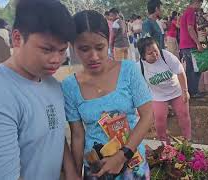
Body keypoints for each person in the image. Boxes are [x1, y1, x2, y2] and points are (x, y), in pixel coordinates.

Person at [0, 1, 80, 179]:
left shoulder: (53, 85)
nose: (57, 59)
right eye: (47, 49)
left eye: (62, 50)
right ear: (17, 38)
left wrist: (72, 172)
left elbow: (54, 132)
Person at [61, 10, 154, 179]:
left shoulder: (128, 70)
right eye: (84, 49)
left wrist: (121, 156)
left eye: (100, 47)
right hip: (97, 170)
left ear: (108, 40)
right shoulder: (69, 86)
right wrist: (75, 172)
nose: (94, 56)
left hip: (133, 165)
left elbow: (147, 115)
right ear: (72, 46)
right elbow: (77, 135)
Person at [137, 37, 191, 143]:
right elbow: (137, 86)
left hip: (176, 91)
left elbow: (180, 72)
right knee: (160, 120)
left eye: (156, 51)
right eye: (150, 53)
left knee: (183, 115)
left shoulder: (166, 56)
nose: (155, 55)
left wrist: (185, 91)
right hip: (158, 96)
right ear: (143, 55)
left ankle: (188, 140)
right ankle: (164, 143)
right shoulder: (139, 67)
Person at [180, 0, 204, 98]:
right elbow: (190, 28)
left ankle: (189, 91)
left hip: (184, 45)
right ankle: (194, 91)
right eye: (200, 3)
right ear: (196, 2)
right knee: (197, 68)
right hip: (190, 45)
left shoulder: (186, 12)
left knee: (190, 69)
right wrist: (198, 43)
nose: (200, 6)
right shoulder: (191, 13)